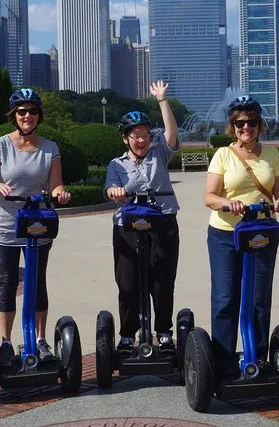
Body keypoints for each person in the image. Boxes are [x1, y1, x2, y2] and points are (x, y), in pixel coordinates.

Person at [0, 88, 72, 367]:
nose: (27, 116)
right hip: (4, 226)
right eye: (22, 111)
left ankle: (40, 340)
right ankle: (6, 343)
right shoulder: (0, 145)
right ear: (14, 115)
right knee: (8, 282)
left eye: (32, 111)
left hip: (38, 225)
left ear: (38, 115)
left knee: (37, 281)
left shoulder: (50, 148)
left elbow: (55, 185)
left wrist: (60, 194)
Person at [203, 95, 279, 380]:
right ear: (232, 126)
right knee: (226, 297)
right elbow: (209, 196)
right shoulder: (223, 155)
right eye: (240, 123)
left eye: (251, 122)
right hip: (226, 234)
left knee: (258, 297)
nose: (246, 127)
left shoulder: (272, 154)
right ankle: (223, 362)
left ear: (259, 124)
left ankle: (258, 357)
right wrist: (227, 203)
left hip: (261, 232)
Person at [104, 80, 180, 354]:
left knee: (162, 282)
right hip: (127, 225)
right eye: (135, 135)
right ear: (125, 138)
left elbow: (171, 131)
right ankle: (127, 334)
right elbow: (110, 188)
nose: (141, 140)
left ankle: (163, 332)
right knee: (128, 282)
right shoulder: (117, 164)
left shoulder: (159, 152)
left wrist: (161, 99)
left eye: (145, 134)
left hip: (163, 221)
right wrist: (115, 191)